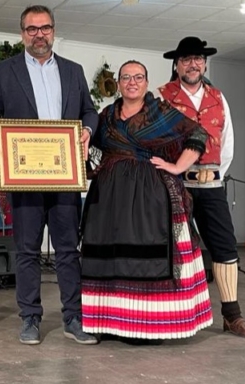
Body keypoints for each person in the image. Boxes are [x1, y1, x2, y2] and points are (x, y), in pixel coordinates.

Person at [0, 5, 98, 345]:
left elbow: (88, 110)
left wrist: (88, 129)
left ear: (54, 31)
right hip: (24, 178)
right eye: (31, 29)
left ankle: (73, 318)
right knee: (27, 251)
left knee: (67, 251)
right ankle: (30, 318)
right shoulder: (5, 71)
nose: (39, 34)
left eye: (44, 28)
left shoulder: (73, 71)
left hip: (65, 179)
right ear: (22, 34)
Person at [80, 60, 213, 342]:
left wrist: (177, 166)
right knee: (111, 256)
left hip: (149, 194)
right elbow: (87, 145)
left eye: (138, 77)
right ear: (118, 83)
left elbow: (198, 134)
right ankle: (109, 321)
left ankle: (148, 325)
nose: (132, 82)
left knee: (147, 255)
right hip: (109, 196)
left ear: (146, 82)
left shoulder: (161, 112)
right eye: (126, 77)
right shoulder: (106, 116)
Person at [159, 37, 245, 339]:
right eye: (187, 59)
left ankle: (232, 317)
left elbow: (227, 143)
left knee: (226, 248)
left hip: (212, 185)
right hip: (175, 185)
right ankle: (170, 315)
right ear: (177, 65)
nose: (193, 64)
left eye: (198, 59)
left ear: (204, 63)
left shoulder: (218, 97)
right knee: (172, 248)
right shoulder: (162, 97)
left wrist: (213, 176)